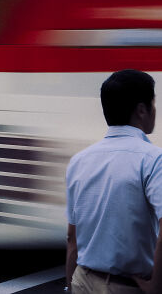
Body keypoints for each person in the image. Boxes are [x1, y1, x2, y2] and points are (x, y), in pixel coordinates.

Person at [66, 69, 162, 293]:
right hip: (125, 286)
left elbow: (72, 236)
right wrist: (156, 286)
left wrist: (70, 285)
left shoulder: (79, 160)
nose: (155, 111)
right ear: (141, 110)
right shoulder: (153, 159)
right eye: (153, 104)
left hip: (83, 279)